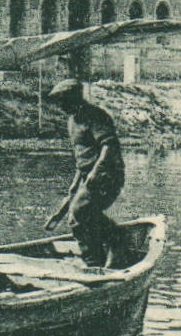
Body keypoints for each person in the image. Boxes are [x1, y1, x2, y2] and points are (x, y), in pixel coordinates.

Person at [43, 79, 125, 267]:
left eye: (63, 101)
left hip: (108, 175)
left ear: (75, 98)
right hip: (88, 175)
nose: (61, 106)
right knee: (79, 215)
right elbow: (82, 160)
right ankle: (97, 260)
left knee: (80, 212)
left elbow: (109, 146)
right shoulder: (72, 121)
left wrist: (95, 173)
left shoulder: (95, 116)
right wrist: (71, 193)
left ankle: (110, 244)